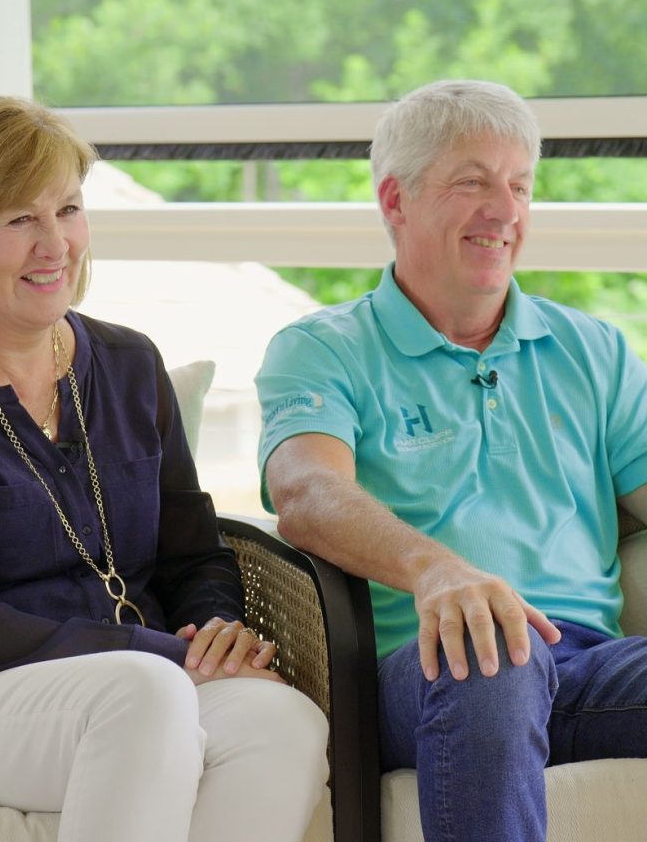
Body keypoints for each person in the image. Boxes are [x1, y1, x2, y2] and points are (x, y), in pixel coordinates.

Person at [0, 95, 328, 842]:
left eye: (67, 209)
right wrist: (166, 653)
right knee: (146, 693)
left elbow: (196, 552)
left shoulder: (129, 364)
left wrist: (217, 630)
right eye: (18, 220)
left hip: (143, 677)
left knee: (280, 718)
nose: (55, 243)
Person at [255, 79, 647, 841]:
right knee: (490, 646)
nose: (504, 210)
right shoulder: (323, 349)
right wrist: (439, 572)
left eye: (519, 186)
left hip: (588, 667)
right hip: (428, 673)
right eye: (472, 183)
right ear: (395, 201)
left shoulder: (594, 350)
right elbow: (304, 490)